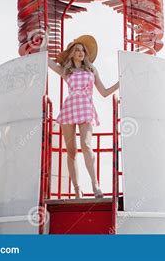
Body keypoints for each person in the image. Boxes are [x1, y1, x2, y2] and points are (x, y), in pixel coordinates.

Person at [48, 34, 119, 199]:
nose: (80, 52)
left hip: (86, 108)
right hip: (69, 109)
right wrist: (45, 41)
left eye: (83, 50)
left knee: (86, 145)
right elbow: (49, 62)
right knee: (71, 152)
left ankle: (95, 185)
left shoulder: (91, 70)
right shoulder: (67, 71)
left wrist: (120, 82)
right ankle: (77, 189)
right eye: (77, 50)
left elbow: (104, 92)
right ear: (72, 53)